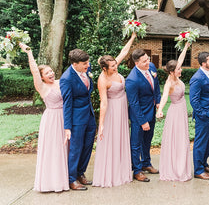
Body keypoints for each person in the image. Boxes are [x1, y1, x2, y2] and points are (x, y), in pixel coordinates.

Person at [19, 43, 69, 192]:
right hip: (52, 119)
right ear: (41, 77)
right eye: (47, 73)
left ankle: (65, 178)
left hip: (64, 118)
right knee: (53, 149)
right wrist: (29, 52)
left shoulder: (61, 83)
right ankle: (51, 182)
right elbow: (34, 70)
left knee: (65, 148)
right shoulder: (42, 87)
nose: (51, 74)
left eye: (51, 71)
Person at [92, 32, 136, 187]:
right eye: (112, 66)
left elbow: (124, 52)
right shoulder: (102, 80)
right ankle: (111, 173)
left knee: (122, 137)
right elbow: (103, 103)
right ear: (105, 68)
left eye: (115, 64)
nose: (116, 66)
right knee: (112, 138)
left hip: (122, 107)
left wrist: (132, 36)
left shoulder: (114, 67)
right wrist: (102, 124)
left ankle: (122, 170)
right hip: (112, 111)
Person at [155, 42, 192, 182]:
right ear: (171, 72)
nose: (180, 70)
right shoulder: (169, 83)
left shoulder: (177, 77)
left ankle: (182, 167)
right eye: (178, 69)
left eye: (180, 68)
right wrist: (159, 110)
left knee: (182, 139)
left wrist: (186, 47)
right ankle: (175, 169)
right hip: (175, 112)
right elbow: (164, 97)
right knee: (176, 140)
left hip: (182, 110)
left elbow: (180, 59)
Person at [60, 49, 96, 191]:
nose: (88, 65)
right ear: (75, 64)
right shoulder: (66, 79)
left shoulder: (86, 69)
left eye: (88, 62)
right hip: (76, 119)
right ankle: (71, 179)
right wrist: (67, 127)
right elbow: (67, 104)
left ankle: (81, 173)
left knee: (88, 146)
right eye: (84, 63)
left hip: (90, 116)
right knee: (76, 149)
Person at [125, 49, 161, 182]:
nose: (148, 62)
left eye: (148, 59)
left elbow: (156, 87)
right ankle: (137, 170)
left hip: (151, 111)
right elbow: (134, 103)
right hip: (138, 115)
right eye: (144, 61)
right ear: (136, 63)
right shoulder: (132, 80)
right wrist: (142, 121)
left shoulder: (151, 67)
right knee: (136, 143)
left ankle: (146, 163)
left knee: (147, 140)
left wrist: (158, 102)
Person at [189, 51, 209, 180]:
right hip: (204, 115)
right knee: (200, 142)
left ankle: (204, 164)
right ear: (203, 63)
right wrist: (202, 113)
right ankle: (198, 170)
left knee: (208, 141)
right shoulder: (197, 77)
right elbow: (193, 100)